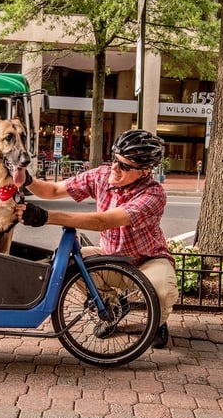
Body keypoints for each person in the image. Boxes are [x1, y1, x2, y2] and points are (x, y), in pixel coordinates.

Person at [15, 129, 178, 348]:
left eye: (125, 166)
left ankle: (158, 323)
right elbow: (53, 190)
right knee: (68, 263)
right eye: (114, 160)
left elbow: (105, 221)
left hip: (148, 260)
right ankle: (111, 309)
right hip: (111, 256)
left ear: (145, 171)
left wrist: (47, 217)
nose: (115, 168)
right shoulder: (101, 176)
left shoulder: (153, 194)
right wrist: (27, 179)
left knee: (161, 291)